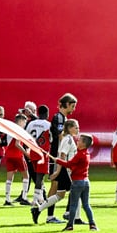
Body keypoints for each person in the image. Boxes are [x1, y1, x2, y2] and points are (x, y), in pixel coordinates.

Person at [44, 93, 77, 223]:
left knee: (69, 185)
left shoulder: (61, 117)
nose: (74, 109)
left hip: (60, 157)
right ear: (67, 104)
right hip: (58, 156)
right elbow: (60, 136)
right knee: (56, 185)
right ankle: (50, 215)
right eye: (73, 106)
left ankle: (67, 213)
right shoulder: (59, 117)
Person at [55, 132, 98, 231]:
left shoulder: (80, 155)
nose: (77, 141)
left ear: (83, 144)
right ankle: (92, 224)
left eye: (79, 140)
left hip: (77, 182)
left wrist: (58, 160)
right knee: (86, 204)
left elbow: (69, 164)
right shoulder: (86, 154)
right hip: (86, 182)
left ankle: (70, 225)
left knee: (73, 205)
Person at [2, 113, 31, 206]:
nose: (25, 124)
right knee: (26, 176)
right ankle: (24, 197)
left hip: (9, 155)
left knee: (9, 178)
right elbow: (17, 144)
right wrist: (27, 154)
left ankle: (7, 199)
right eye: (25, 122)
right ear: (21, 121)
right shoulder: (19, 130)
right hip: (18, 155)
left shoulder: (10, 130)